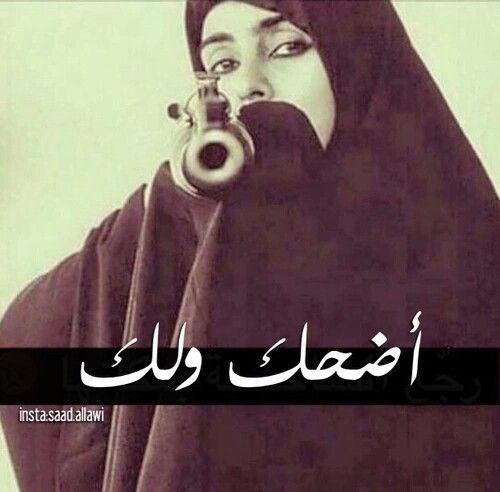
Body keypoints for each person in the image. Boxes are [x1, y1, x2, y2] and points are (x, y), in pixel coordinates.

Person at [1, 1, 498, 490]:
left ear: (357, 60)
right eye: (223, 64)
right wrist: (172, 215)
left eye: (286, 48)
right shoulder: (169, 242)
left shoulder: (469, 260)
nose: (248, 86)